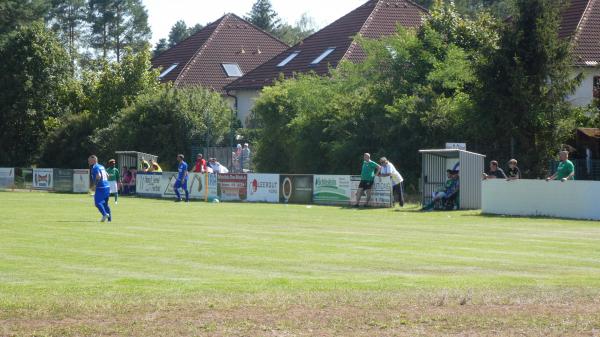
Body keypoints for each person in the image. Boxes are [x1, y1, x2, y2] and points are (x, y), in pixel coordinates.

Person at [88, 155, 112, 222]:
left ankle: (104, 214)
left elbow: (99, 176)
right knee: (105, 204)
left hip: (101, 187)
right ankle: (109, 219)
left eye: (89, 160)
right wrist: (105, 182)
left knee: (97, 203)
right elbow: (108, 175)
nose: (88, 162)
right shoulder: (101, 166)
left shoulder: (95, 167)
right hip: (107, 187)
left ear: (94, 160)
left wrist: (95, 185)